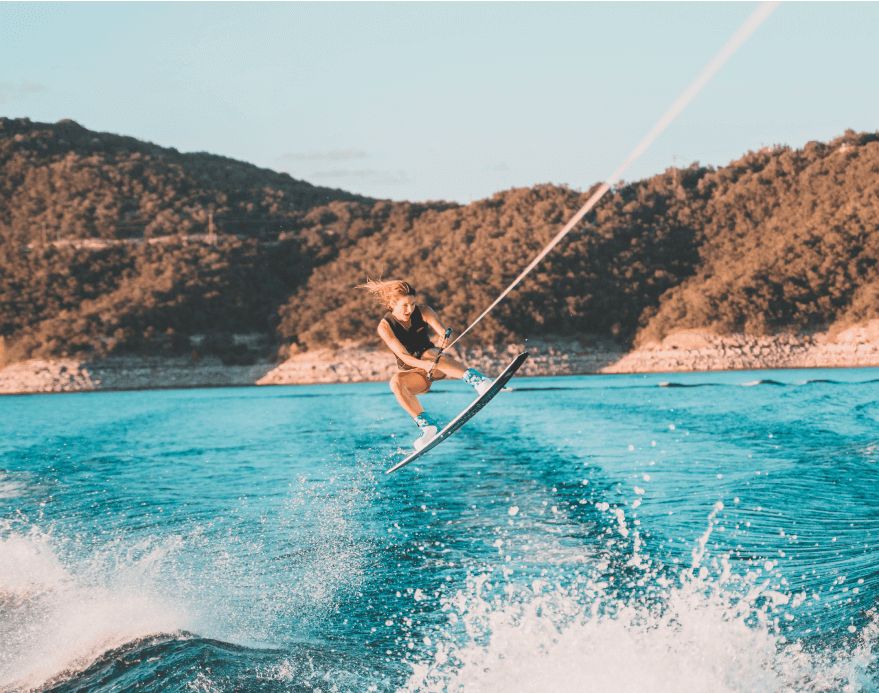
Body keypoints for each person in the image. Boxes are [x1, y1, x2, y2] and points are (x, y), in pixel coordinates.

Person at [358, 279, 494, 449]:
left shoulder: (424, 312)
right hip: (416, 373)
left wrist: (444, 336)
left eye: (413, 304)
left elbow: (442, 331)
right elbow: (403, 356)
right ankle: (428, 427)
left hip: (436, 364)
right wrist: (423, 366)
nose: (410, 309)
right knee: (395, 382)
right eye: (405, 305)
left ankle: (478, 381)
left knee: (429, 353)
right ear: (392, 303)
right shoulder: (385, 327)